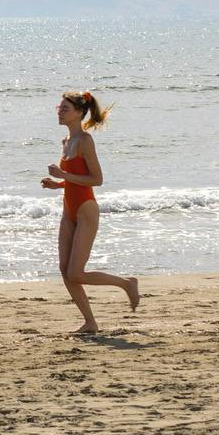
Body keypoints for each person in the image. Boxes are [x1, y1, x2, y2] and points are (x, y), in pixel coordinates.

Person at [41, 91, 139, 334]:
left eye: (65, 108)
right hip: (68, 210)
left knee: (76, 272)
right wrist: (59, 184)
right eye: (59, 107)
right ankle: (90, 322)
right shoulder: (66, 142)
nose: (59, 111)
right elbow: (77, 179)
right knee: (65, 272)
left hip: (86, 209)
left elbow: (96, 179)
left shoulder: (85, 141)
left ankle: (126, 283)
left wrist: (63, 175)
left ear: (79, 113)